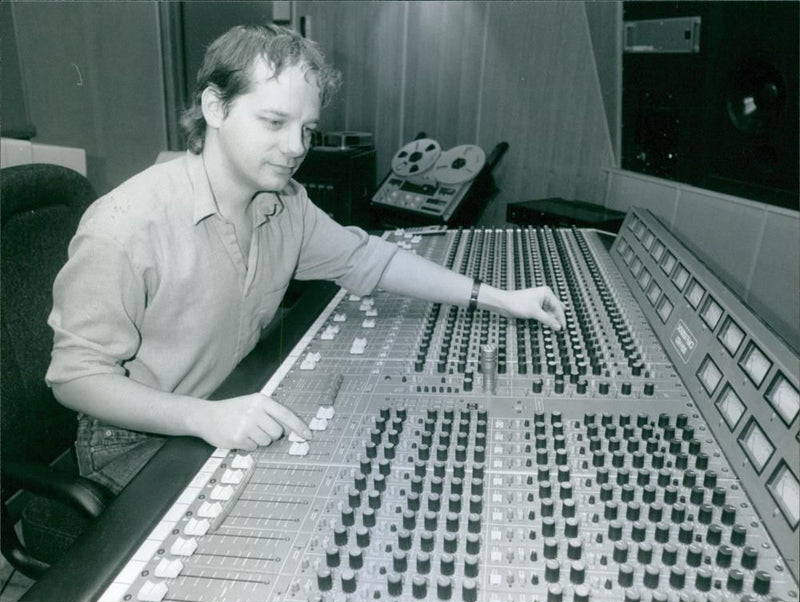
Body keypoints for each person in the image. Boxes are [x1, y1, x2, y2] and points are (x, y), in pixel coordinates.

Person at [46, 24, 566, 494]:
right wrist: (202, 418)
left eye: (307, 129)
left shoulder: (286, 202)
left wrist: (495, 297)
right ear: (215, 107)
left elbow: (371, 261)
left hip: (225, 398)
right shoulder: (124, 225)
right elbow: (76, 378)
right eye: (274, 121)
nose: (296, 147)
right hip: (135, 440)